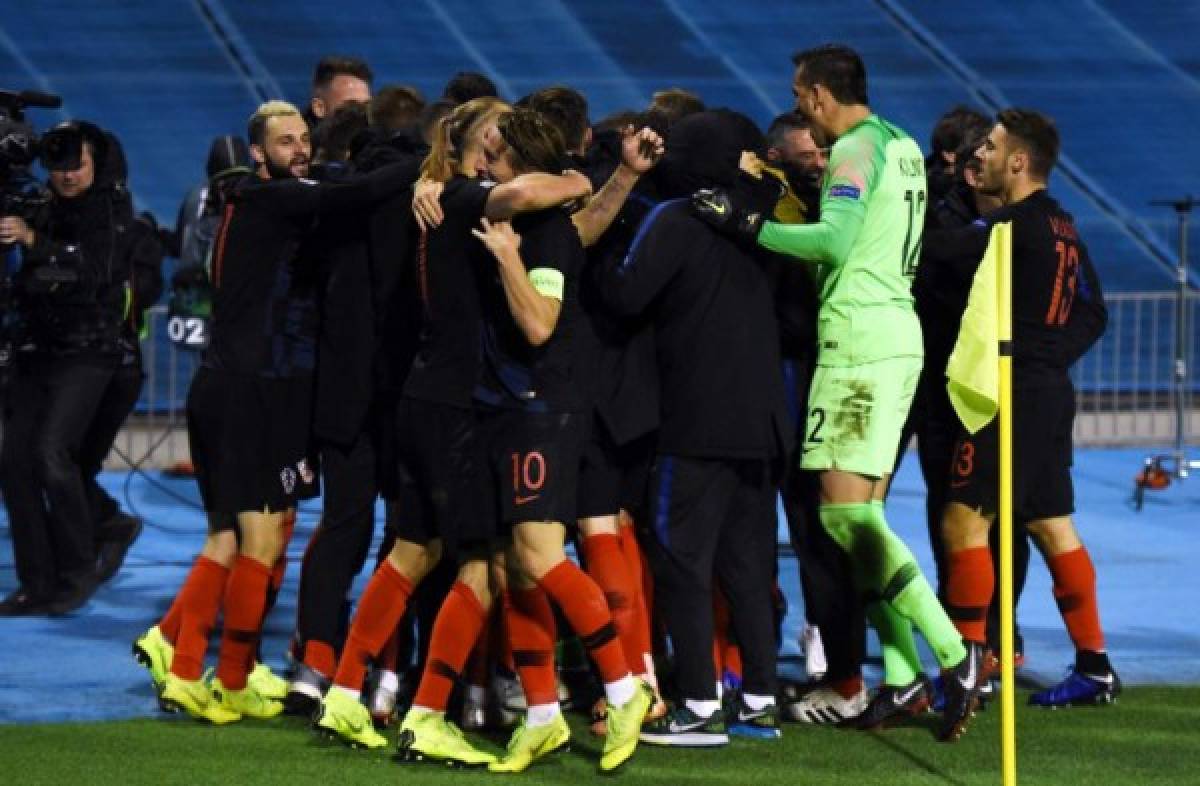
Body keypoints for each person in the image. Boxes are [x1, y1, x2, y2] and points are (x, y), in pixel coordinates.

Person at [692, 44, 984, 741]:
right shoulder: (902, 144)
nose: (801, 108)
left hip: (861, 345)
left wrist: (747, 223)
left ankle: (954, 655)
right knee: (852, 518)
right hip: (886, 336)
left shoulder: (854, 149)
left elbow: (832, 242)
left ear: (821, 94)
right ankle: (903, 669)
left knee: (847, 518)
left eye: (801, 95)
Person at [310, 98, 595, 762]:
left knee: (415, 552)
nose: (507, 143)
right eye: (498, 133)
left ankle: (346, 695)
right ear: (476, 144)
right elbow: (531, 191)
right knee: (486, 565)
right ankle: (433, 712)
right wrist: (584, 176)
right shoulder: (473, 202)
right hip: (460, 411)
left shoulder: (437, 195)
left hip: (420, 394)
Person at [131, 100, 416, 725]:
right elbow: (358, 192)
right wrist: (428, 163)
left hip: (229, 386)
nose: (300, 149)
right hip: (253, 393)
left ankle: (183, 661)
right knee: (261, 538)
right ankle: (223, 677)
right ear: (258, 154)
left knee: (229, 537)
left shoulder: (253, 202)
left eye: (305, 139)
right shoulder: (271, 199)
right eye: (285, 142)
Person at [603, 109, 793, 747]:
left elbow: (626, 294)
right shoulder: (762, 222)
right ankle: (760, 700)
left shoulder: (678, 218)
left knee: (683, 560)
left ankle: (697, 704)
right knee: (746, 562)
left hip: (697, 419)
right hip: (764, 418)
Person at [932, 109, 1116, 709]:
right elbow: (1094, 311)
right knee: (1049, 523)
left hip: (1011, 394)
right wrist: (1049, 356)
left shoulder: (1010, 228)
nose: (978, 156)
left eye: (988, 146)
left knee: (965, 521)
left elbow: (942, 254)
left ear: (1017, 160)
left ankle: (964, 667)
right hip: (1046, 392)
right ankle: (1094, 666)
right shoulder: (1064, 225)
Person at [0, 122, 162, 616]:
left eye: (77, 164)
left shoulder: (113, 213)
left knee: (53, 454)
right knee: (13, 464)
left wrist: (35, 243)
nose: (66, 174)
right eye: (58, 165)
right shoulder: (37, 207)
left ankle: (77, 570)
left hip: (92, 353)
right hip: (37, 349)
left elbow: (90, 274)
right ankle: (36, 581)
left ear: (98, 164)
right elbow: (37, 280)